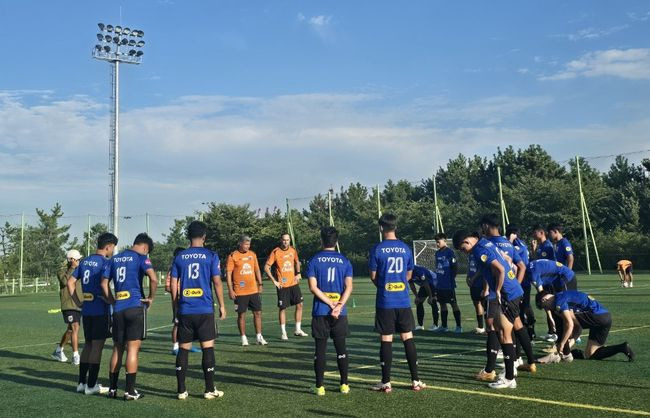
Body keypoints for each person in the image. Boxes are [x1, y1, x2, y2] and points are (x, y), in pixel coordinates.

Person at [453, 230, 536, 390]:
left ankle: (509, 378)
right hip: (513, 290)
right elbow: (504, 260)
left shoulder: (479, 249)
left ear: (466, 241)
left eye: (463, 249)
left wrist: (497, 290)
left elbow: (500, 269)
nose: (465, 252)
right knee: (501, 330)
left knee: (505, 335)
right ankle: (507, 373)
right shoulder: (486, 243)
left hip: (507, 293)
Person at [369, 213, 426, 393]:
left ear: (381, 228)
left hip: (385, 301)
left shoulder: (377, 249)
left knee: (386, 339)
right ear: (396, 227)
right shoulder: (406, 248)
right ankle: (416, 380)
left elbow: (373, 276)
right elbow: (409, 275)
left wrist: (385, 285)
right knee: (407, 337)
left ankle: (386, 382)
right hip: (403, 300)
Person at [171, 221, 226, 400]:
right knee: (207, 348)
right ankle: (209, 389)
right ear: (204, 236)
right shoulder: (211, 255)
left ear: (188, 236)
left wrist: (175, 307)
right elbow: (217, 282)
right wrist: (222, 306)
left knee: (183, 349)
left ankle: (181, 391)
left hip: (186, 310)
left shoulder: (180, 256)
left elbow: (173, 284)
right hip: (204, 309)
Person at [101, 233, 158, 400]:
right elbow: (154, 279)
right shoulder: (141, 258)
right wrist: (151, 297)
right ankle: (130, 391)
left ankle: (112, 389)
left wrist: (112, 300)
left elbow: (103, 283)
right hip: (135, 306)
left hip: (118, 308)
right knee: (132, 349)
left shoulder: (114, 259)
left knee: (117, 348)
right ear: (145, 248)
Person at [480, 216, 534, 372]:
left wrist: (488, 288)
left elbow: (492, 270)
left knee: (493, 326)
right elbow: (522, 266)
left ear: (486, 226)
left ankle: (490, 370)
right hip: (512, 290)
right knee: (516, 324)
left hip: (497, 292)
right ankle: (528, 361)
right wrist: (516, 283)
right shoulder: (508, 244)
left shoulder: (489, 244)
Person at [69, 233, 117, 395]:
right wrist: (111, 300)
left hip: (86, 310)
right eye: (113, 248)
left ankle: (81, 383)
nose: (112, 251)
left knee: (88, 345)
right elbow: (105, 285)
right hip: (99, 310)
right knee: (97, 346)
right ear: (108, 246)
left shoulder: (84, 261)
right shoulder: (106, 262)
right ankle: (91, 385)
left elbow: (71, 282)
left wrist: (77, 301)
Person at [307, 226, 353, 396]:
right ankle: (344, 385)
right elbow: (349, 287)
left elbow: (313, 288)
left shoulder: (314, 260)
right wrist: (339, 305)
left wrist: (329, 303)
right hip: (340, 313)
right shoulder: (345, 260)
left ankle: (319, 387)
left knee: (320, 350)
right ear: (337, 241)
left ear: (321, 240)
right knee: (341, 348)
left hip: (320, 311)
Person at [537, 290, 634, 362]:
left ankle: (563, 352)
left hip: (597, 317)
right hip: (605, 318)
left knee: (564, 318)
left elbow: (570, 324)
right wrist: (570, 345)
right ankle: (622, 347)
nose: (548, 309)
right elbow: (578, 328)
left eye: (545, 306)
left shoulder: (559, 300)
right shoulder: (563, 297)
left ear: (544, 299)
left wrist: (562, 344)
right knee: (590, 354)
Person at [226, 235, 267, 346]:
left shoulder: (252, 254)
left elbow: (257, 270)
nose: (247, 246)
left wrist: (260, 283)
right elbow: (229, 274)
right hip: (239, 291)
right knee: (241, 315)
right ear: (240, 243)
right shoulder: (233, 256)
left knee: (258, 313)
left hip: (253, 290)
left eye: (249, 244)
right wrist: (230, 289)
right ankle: (243, 338)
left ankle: (259, 336)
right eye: (246, 244)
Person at [264, 233, 307, 340]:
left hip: (293, 283)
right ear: (281, 240)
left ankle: (298, 329)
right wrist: (274, 281)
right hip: (282, 285)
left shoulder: (293, 250)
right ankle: (283, 333)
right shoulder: (276, 252)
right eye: (284, 240)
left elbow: (297, 261)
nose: (285, 242)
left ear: (289, 241)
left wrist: (298, 273)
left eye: (287, 240)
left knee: (300, 305)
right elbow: (266, 267)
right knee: (283, 308)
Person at [166, 247, 200, 355]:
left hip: (189, 298)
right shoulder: (173, 269)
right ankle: (175, 347)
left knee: (188, 322)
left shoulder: (186, 267)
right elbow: (167, 287)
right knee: (177, 323)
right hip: (179, 299)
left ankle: (187, 345)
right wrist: (179, 291)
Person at [52, 249, 83, 365]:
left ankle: (59, 350)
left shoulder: (80, 270)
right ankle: (76, 356)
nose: (79, 261)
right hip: (68, 304)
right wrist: (72, 268)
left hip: (79, 304)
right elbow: (65, 282)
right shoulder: (62, 271)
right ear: (71, 260)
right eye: (77, 259)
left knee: (70, 330)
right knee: (75, 327)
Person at [506, 224, 535, 340]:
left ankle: (529, 331)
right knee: (523, 306)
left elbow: (518, 264)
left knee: (523, 307)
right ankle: (527, 331)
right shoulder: (520, 243)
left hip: (522, 281)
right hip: (522, 281)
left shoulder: (517, 245)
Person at [432, 233, 462, 333]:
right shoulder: (437, 253)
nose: (437, 244)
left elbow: (455, 267)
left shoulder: (450, 252)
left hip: (448, 284)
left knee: (453, 304)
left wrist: (451, 279)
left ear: (445, 241)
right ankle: (444, 326)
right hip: (440, 284)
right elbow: (437, 267)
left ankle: (458, 327)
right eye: (436, 242)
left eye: (438, 242)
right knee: (442, 304)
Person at [409, 265, 438, 331]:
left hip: (433, 282)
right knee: (418, 302)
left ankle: (435, 325)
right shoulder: (407, 272)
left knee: (432, 301)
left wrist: (430, 297)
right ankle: (420, 325)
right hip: (425, 284)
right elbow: (412, 285)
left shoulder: (419, 271)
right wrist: (416, 296)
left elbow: (426, 284)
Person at [466, 252, 487, 334]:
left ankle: (490, 328)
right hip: (473, 284)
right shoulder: (471, 253)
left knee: (485, 305)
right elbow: (469, 266)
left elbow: (481, 269)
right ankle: (481, 327)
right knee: (476, 304)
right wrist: (468, 276)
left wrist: (473, 278)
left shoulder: (480, 253)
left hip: (480, 283)